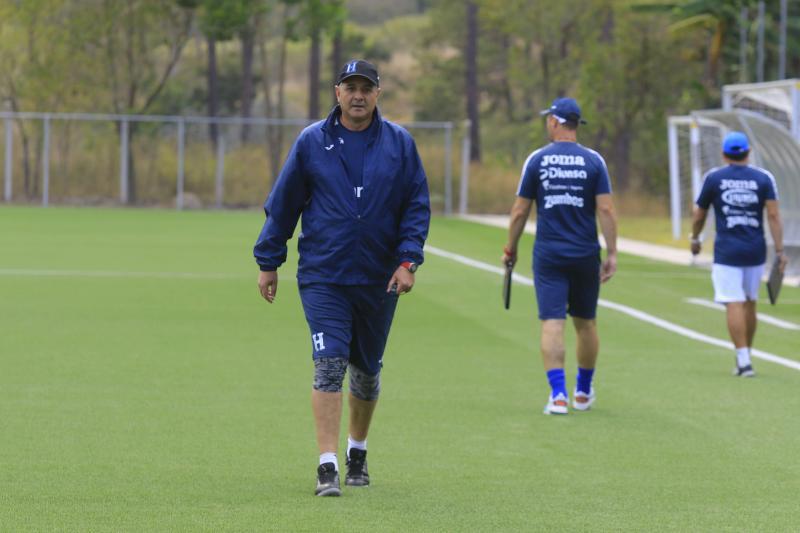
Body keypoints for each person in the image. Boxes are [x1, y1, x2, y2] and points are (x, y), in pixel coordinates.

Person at [254, 59, 430, 496]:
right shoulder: (312, 142)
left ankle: (358, 451)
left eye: (365, 88)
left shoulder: (399, 144)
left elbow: (416, 206)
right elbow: (284, 204)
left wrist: (408, 261)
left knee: (366, 372)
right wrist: (269, 260)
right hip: (323, 276)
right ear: (336, 92)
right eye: (349, 87)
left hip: (378, 278)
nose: (357, 95)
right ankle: (327, 465)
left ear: (377, 93)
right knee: (329, 365)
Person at [503, 97, 618, 416]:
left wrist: (510, 248)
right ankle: (583, 391)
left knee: (552, 321)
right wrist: (612, 252)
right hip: (585, 253)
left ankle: (557, 395)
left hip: (550, 254)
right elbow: (606, 208)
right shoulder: (594, 160)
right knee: (586, 322)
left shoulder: (537, 159)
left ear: (554, 122)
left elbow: (519, 211)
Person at [690, 131, 787, 377]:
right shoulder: (764, 178)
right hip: (755, 250)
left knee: (733, 301)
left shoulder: (714, 178)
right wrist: (780, 250)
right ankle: (746, 355)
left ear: (724, 154)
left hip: (727, 250)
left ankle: (743, 360)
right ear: (749, 152)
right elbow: (774, 215)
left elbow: (699, 213)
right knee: (749, 301)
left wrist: (695, 238)